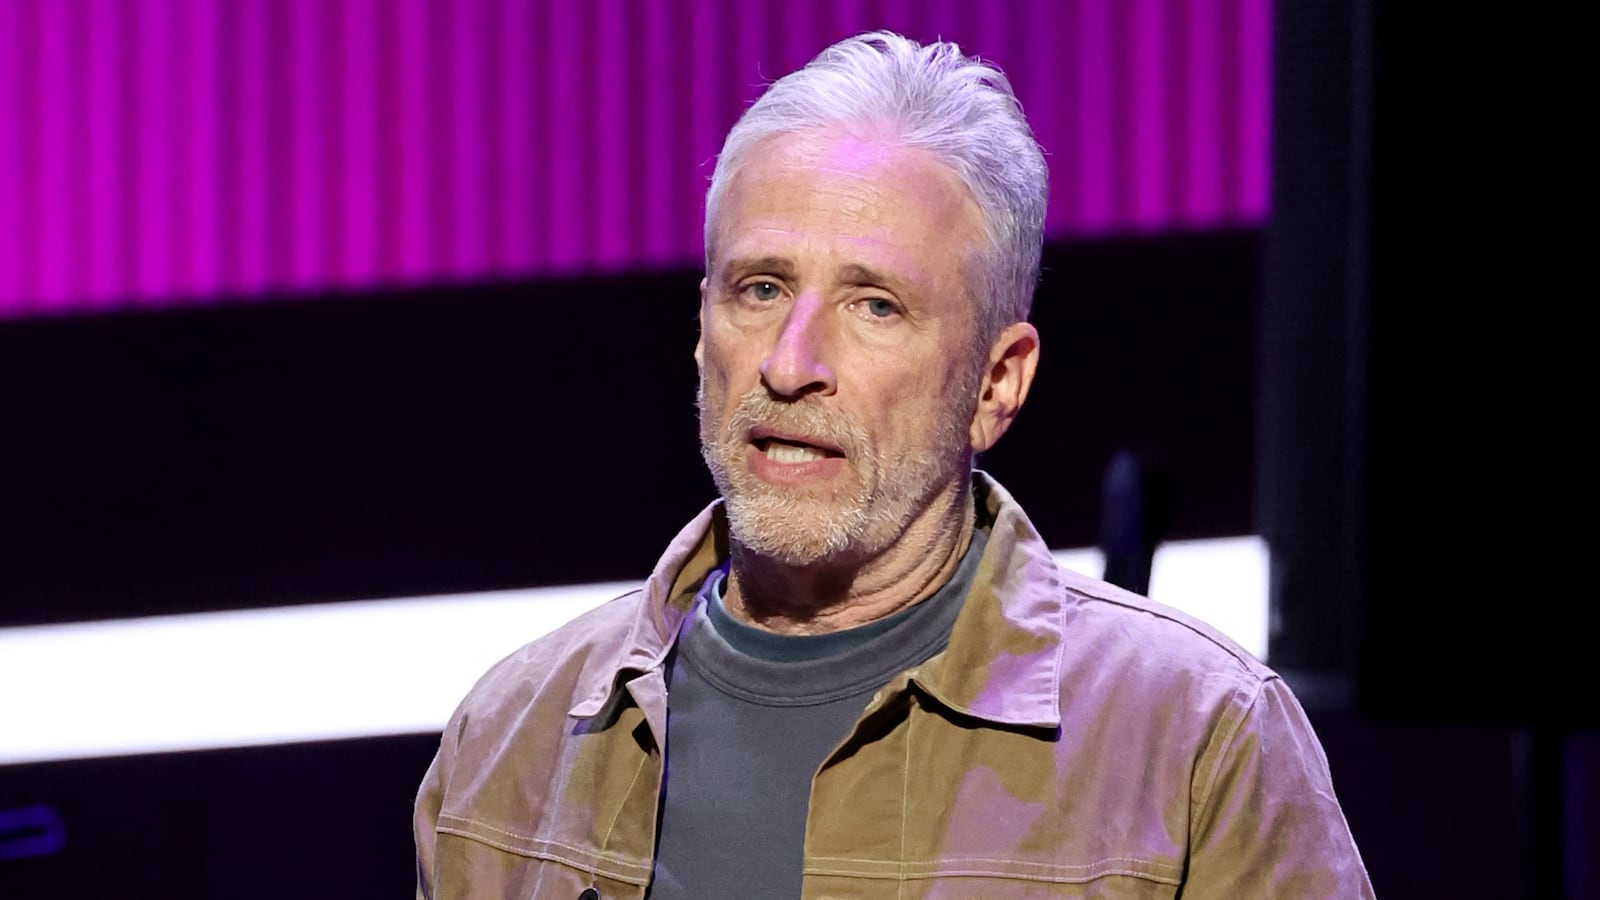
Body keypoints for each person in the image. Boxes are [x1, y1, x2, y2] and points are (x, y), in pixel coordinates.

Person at [414, 31, 1374, 900]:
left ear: (999, 382)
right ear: (701, 329)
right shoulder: (510, 744)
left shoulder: (1197, 743)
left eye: (875, 306)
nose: (790, 366)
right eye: (760, 288)